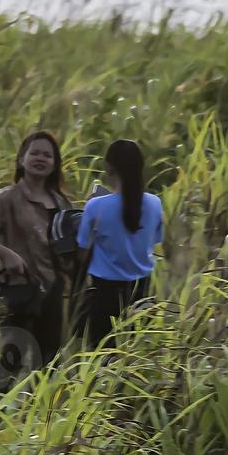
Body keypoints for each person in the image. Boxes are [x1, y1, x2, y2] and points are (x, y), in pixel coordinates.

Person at [0, 131, 74, 376]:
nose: (41, 158)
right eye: (34, 153)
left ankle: (41, 413)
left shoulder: (60, 202)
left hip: (53, 291)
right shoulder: (7, 198)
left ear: (55, 163)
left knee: (50, 361)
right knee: (13, 357)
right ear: (21, 160)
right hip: (18, 289)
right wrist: (7, 255)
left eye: (47, 155)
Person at [75, 139, 163, 350]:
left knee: (101, 358)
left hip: (105, 295)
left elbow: (82, 251)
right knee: (136, 356)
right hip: (143, 293)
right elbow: (154, 241)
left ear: (108, 168)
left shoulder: (96, 206)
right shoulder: (155, 203)